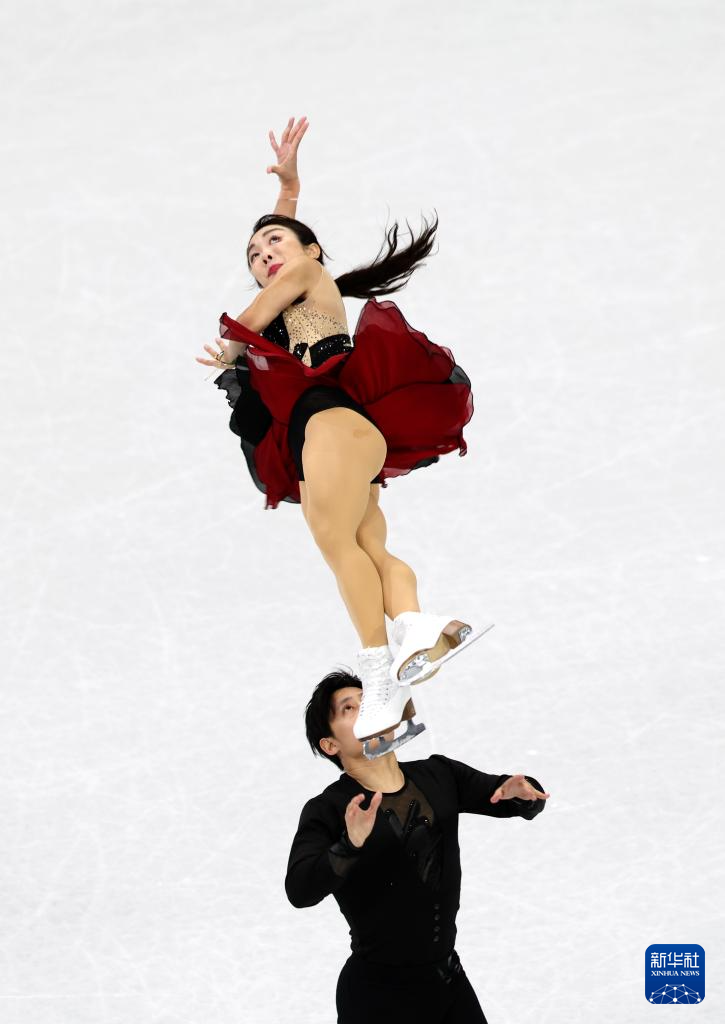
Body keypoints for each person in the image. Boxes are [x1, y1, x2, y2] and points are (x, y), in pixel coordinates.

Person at [196, 117, 487, 757]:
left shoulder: (299, 276)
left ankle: (382, 679)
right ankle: (417, 628)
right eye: (253, 255)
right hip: (353, 439)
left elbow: (249, 316)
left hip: (327, 425)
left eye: (273, 243)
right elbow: (281, 255)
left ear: (311, 250)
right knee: (369, 549)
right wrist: (288, 193)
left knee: (337, 548)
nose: (262, 256)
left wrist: (231, 349)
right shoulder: (300, 280)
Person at [285, 671, 549, 1024]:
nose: (367, 710)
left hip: (447, 982)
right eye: (350, 708)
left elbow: (510, 794)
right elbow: (300, 889)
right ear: (330, 745)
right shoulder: (329, 809)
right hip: (378, 999)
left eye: (369, 701)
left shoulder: (439, 774)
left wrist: (523, 793)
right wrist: (351, 843)